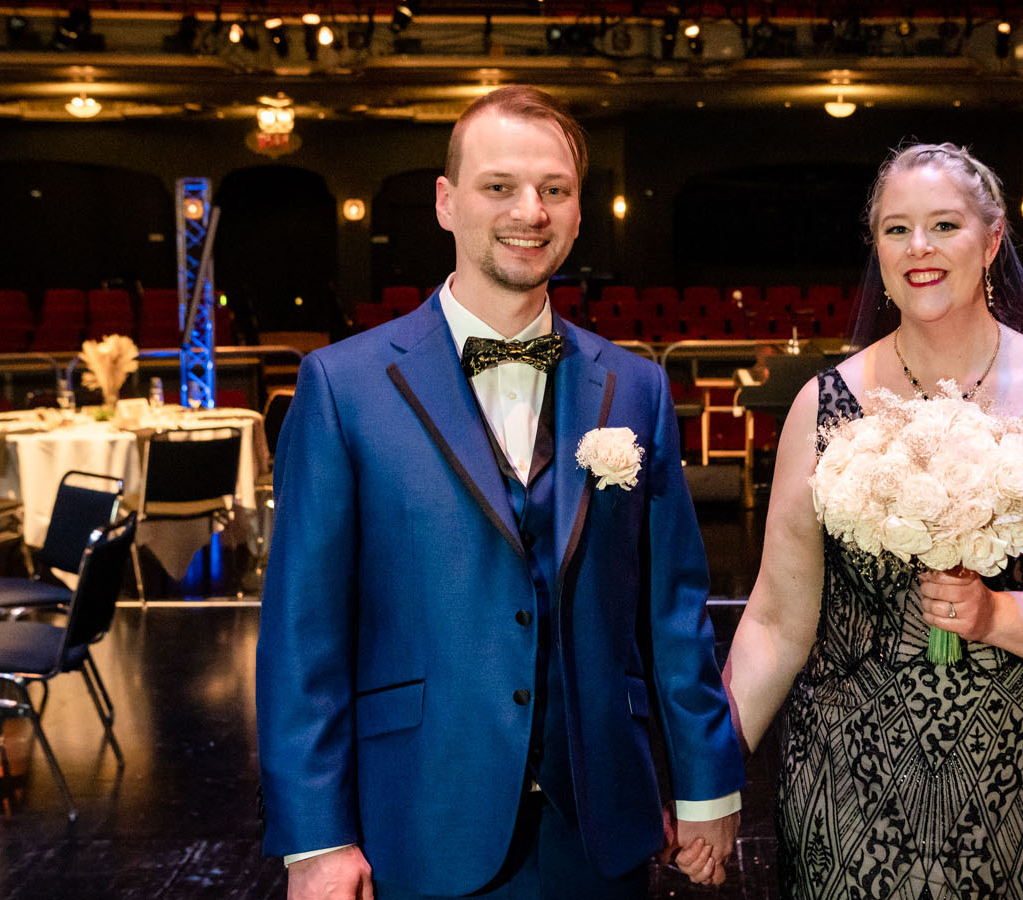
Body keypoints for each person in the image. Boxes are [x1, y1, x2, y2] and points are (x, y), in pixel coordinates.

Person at [256, 86, 744, 900]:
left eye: (555, 189)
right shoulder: (343, 387)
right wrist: (314, 839)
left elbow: (672, 612)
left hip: (600, 827)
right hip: (418, 821)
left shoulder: (636, 386)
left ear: (579, 213)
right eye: (499, 186)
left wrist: (706, 784)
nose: (531, 211)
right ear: (446, 203)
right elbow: (303, 634)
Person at [721, 143, 1023, 899]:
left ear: (992, 240)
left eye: (944, 225)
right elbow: (775, 621)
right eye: (896, 229)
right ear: (877, 249)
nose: (919, 248)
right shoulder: (823, 405)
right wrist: (709, 773)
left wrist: (998, 615)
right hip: (847, 790)